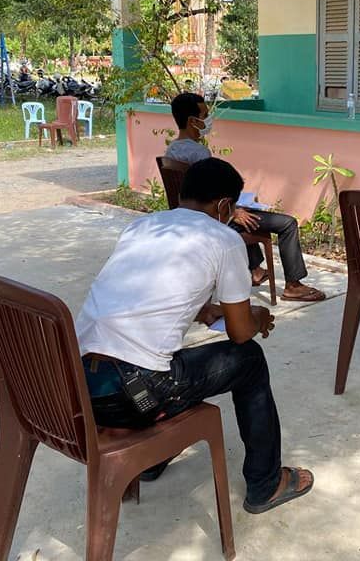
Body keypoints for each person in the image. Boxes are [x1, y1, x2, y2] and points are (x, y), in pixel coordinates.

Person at [75, 158, 314, 512]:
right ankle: (265, 484)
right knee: (249, 360)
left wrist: (205, 310)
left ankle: (150, 459)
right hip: (135, 396)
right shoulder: (224, 239)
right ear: (225, 206)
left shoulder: (143, 226)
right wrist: (258, 317)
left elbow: (142, 292)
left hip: (83, 387)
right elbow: (240, 333)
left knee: (169, 360)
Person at [165, 92, 326, 303]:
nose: (208, 119)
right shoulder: (200, 154)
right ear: (192, 121)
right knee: (287, 224)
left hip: (191, 218)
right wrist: (235, 212)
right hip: (216, 220)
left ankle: (255, 270)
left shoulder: (171, 151)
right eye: (205, 115)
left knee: (249, 214)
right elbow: (213, 196)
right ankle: (293, 285)